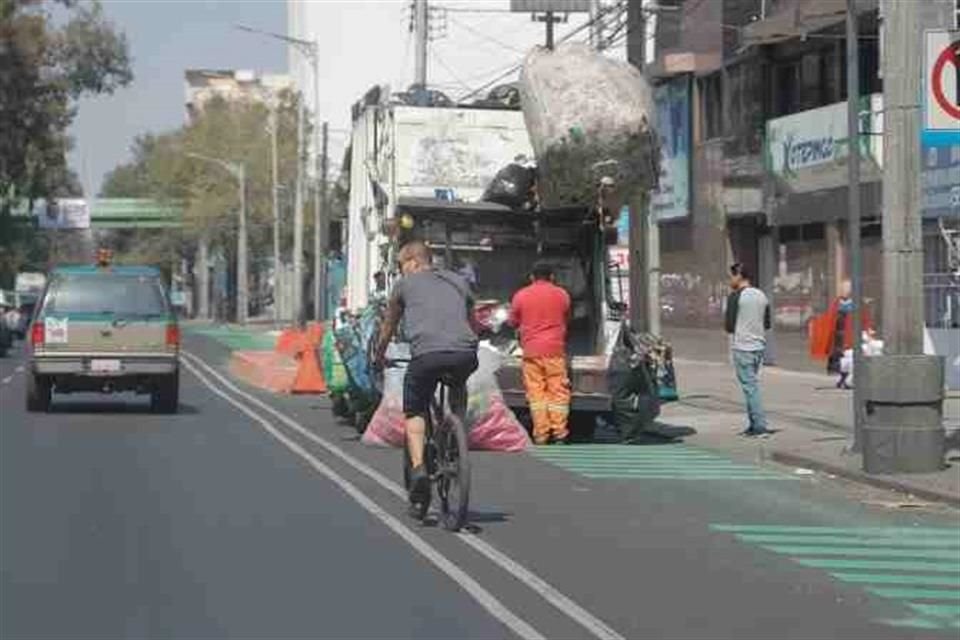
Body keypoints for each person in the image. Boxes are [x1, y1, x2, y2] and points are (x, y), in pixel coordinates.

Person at [375, 241, 479, 514]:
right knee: (458, 383)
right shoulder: (459, 281)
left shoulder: (404, 285)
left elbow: (389, 326)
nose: (401, 271)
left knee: (415, 409)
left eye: (401, 266)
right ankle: (456, 435)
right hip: (465, 353)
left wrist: (379, 355)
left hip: (426, 356)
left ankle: (419, 468)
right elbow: (472, 322)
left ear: (413, 261)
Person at [509, 261, 572, 445]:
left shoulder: (521, 295)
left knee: (536, 394)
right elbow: (568, 316)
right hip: (554, 350)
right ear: (552, 276)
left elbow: (513, 321)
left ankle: (541, 434)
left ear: (531, 277)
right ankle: (559, 433)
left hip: (531, 351)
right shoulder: (562, 294)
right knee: (558, 391)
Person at [724, 263, 771, 438]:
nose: (730, 280)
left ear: (738, 276)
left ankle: (760, 427)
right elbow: (767, 323)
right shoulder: (761, 295)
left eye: (731, 277)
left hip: (742, 347)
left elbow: (729, 326)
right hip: (759, 346)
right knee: (751, 386)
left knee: (750, 388)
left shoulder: (735, 297)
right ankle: (753, 426)